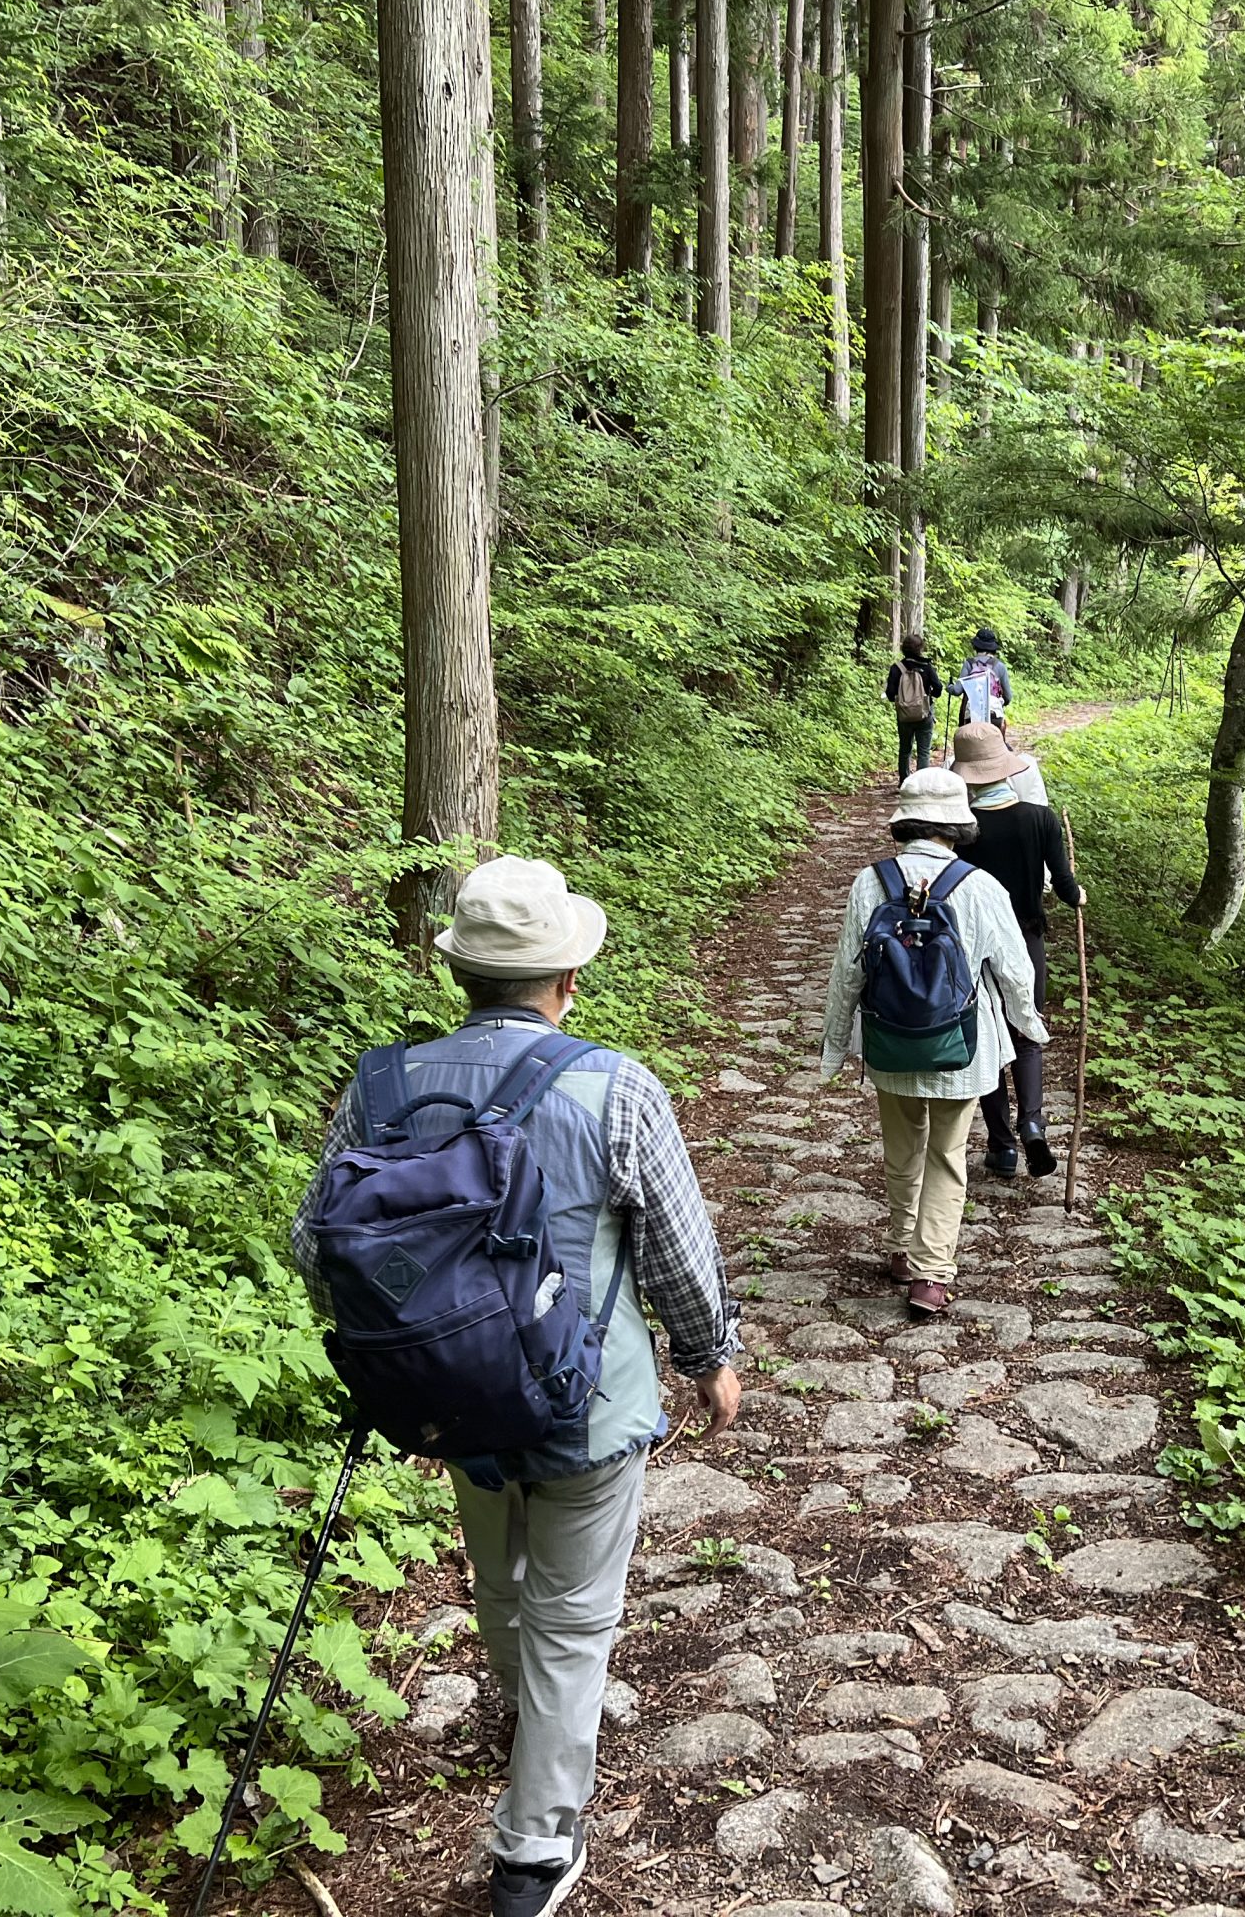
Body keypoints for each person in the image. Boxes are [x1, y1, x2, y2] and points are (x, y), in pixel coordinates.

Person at [291, 856, 740, 1917]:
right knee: (576, 1617)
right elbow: (677, 1248)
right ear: (568, 975)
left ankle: (520, 1714)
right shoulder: (615, 1085)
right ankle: (535, 1848)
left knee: (500, 1582)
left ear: (460, 977)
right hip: (590, 1398)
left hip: (453, 1399)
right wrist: (707, 1356)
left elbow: (319, 1246)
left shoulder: (383, 1086)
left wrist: (417, 1336)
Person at [820, 768, 1048, 1318]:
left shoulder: (869, 883)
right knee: (948, 1155)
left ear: (905, 823)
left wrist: (833, 1048)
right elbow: (1016, 972)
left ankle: (901, 1246)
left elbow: (847, 973)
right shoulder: (980, 886)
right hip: (962, 1047)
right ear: (956, 826)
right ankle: (931, 1273)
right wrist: (1031, 1026)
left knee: (902, 1148)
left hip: (891, 1041)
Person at [949, 725, 1083, 1179]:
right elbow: (1064, 887)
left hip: (975, 948)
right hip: (1027, 939)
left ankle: (1002, 1146)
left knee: (987, 1039)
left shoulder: (961, 831)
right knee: (1027, 1032)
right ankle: (1033, 1123)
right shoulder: (1040, 818)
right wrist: (1078, 895)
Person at [885, 633, 944, 779]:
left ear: (903, 649)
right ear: (920, 649)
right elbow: (938, 689)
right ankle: (921, 782)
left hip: (904, 715)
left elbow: (891, 694)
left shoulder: (896, 668)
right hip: (924, 714)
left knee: (905, 749)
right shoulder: (927, 667)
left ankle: (904, 781)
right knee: (924, 751)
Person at [954, 627, 1012, 738]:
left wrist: (950, 687)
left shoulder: (969, 664)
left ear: (976, 646)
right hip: (994, 714)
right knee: (998, 747)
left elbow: (957, 690)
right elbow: (1008, 697)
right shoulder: (999, 666)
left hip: (971, 714)